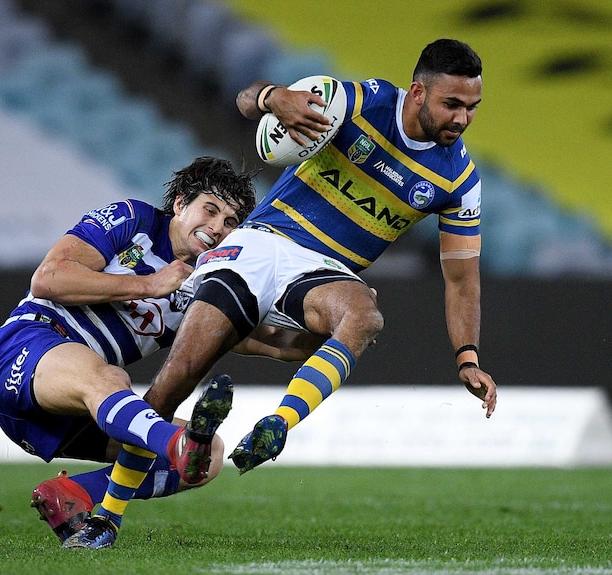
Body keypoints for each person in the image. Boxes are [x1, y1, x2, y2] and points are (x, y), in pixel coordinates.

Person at [144, 39, 498, 476]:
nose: (462, 118)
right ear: (418, 92)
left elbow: (462, 280)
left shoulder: (460, 182)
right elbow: (245, 100)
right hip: (264, 242)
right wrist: (273, 97)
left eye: (472, 106)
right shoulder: (365, 101)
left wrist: (468, 358)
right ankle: (104, 507)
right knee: (175, 382)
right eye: (452, 104)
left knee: (364, 318)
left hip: (324, 272)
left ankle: (278, 423)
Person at [0, 156, 318, 550]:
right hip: (24, 349)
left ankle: (73, 493)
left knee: (210, 457)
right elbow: (48, 278)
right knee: (111, 380)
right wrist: (149, 285)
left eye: (230, 223)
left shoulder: (209, 283)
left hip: (68, 411)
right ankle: (176, 444)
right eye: (209, 210)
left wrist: (339, 321)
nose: (216, 229)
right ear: (179, 203)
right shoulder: (133, 220)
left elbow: (278, 341)